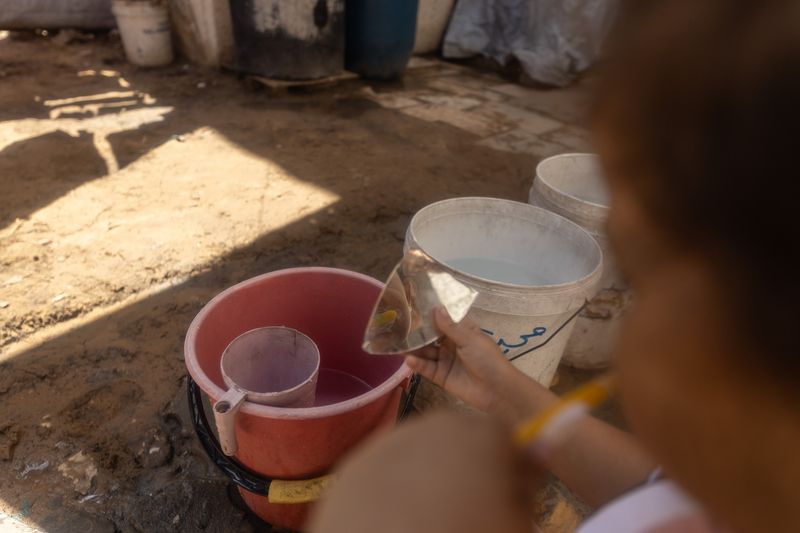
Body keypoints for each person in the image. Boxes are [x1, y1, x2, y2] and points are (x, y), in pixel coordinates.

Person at [309, 0, 800, 531]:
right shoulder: (746, 490)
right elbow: (661, 489)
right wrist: (503, 387)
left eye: (641, 274)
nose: (621, 306)